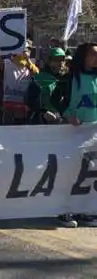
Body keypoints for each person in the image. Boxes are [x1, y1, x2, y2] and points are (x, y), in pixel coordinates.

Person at [56, 42, 97, 228]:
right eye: (94, 54)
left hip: (94, 134)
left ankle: (85, 211)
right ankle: (64, 210)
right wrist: (68, 115)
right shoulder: (71, 77)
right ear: (84, 56)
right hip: (74, 133)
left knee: (89, 174)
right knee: (71, 172)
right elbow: (55, 99)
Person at [26, 47, 68, 125]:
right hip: (41, 119)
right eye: (56, 59)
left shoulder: (67, 78)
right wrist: (43, 112)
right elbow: (29, 100)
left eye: (62, 59)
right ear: (49, 61)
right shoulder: (39, 77)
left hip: (62, 120)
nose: (60, 62)